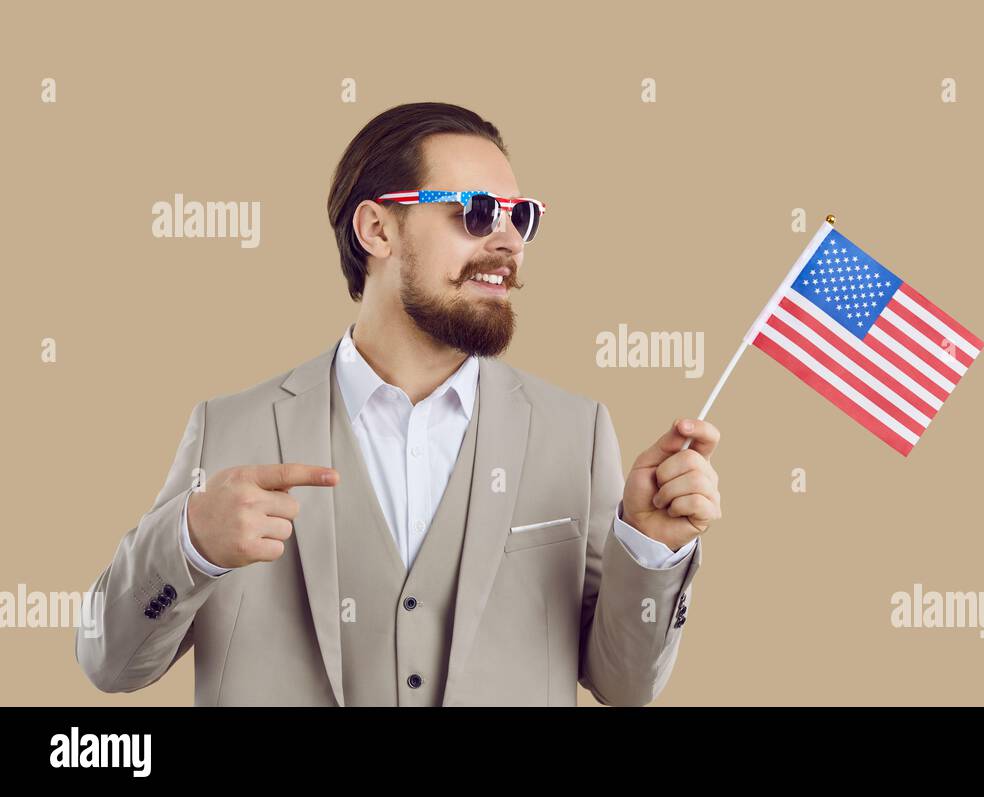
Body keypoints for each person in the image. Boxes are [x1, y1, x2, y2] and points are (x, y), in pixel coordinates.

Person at [75, 102, 722, 706]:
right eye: (475, 212)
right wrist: (190, 544)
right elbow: (110, 661)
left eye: (519, 216)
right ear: (377, 228)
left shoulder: (574, 432)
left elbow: (625, 683)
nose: (508, 242)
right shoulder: (231, 426)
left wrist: (651, 549)